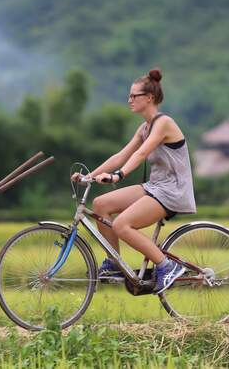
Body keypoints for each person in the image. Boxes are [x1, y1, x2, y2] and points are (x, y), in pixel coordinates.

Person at [71, 68, 196, 294]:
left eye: (134, 96)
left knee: (121, 225)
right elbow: (121, 155)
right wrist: (89, 177)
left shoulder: (164, 123)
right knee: (100, 204)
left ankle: (167, 266)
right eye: (129, 96)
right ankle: (115, 264)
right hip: (155, 187)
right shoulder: (144, 127)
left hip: (172, 191)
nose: (129, 100)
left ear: (149, 98)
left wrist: (118, 175)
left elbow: (140, 155)